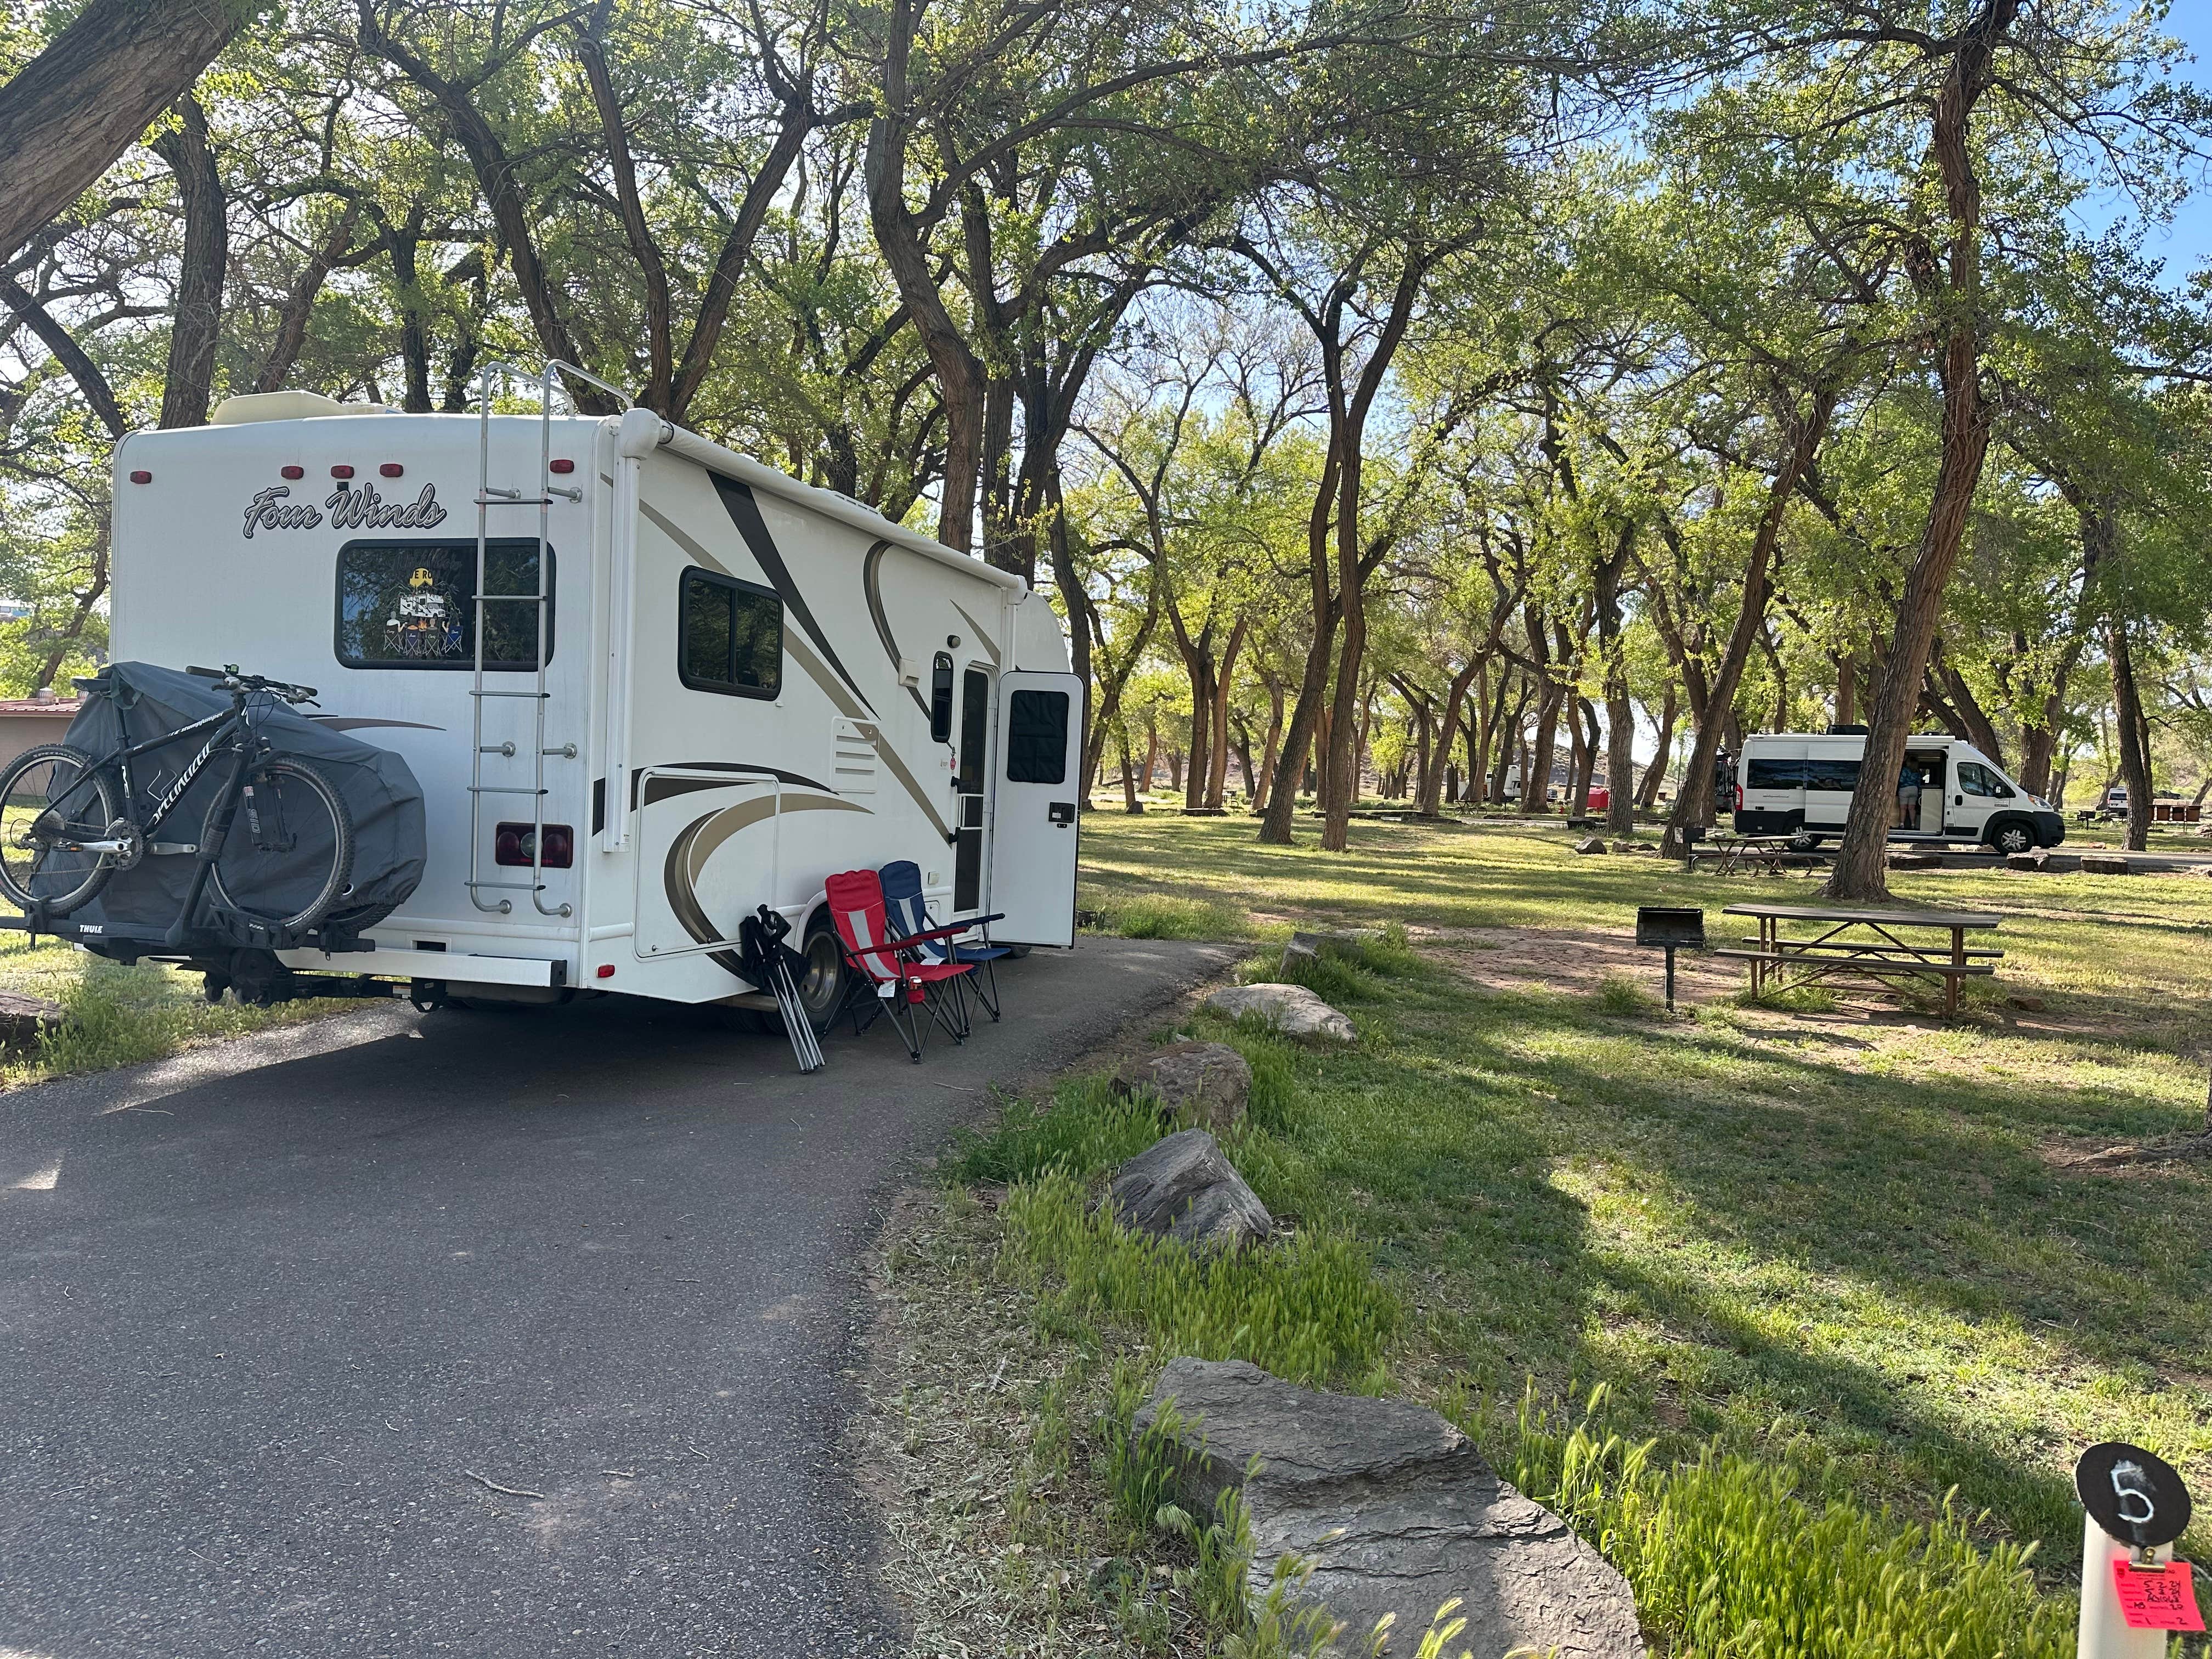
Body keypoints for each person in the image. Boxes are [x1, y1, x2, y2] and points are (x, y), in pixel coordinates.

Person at [1896, 761, 1922, 830]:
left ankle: (1902, 824)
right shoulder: (1917, 771)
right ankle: (1913, 824)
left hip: (1904, 789)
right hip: (1914, 789)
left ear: (1910, 763)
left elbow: (1901, 780)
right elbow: (1919, 782)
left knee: (1903, 808)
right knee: (1912, 808)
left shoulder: (1905, 770)